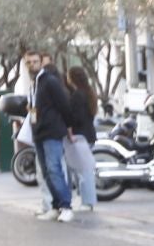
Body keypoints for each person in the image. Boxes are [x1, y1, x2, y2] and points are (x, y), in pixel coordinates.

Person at [25, 51, 75, 222]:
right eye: (29, 62)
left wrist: (69, 127)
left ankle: (66, 206)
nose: (32, 65)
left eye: (35, 61)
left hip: (52, 131)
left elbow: (64, 104)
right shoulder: (34, 83)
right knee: (46, 172)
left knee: (54, 169)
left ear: (41, 63)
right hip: (38, 132)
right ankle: (56, 206)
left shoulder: (50, 81)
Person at [65, 64, 101, 214]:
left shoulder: (77, 95)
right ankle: (86, 200)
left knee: (83, 172)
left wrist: (69, 129)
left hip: (80, 137)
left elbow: (76, 117)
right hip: (89, 135)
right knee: (84, 170)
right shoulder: (89, 93)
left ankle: (87, 201)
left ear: (71, 78)